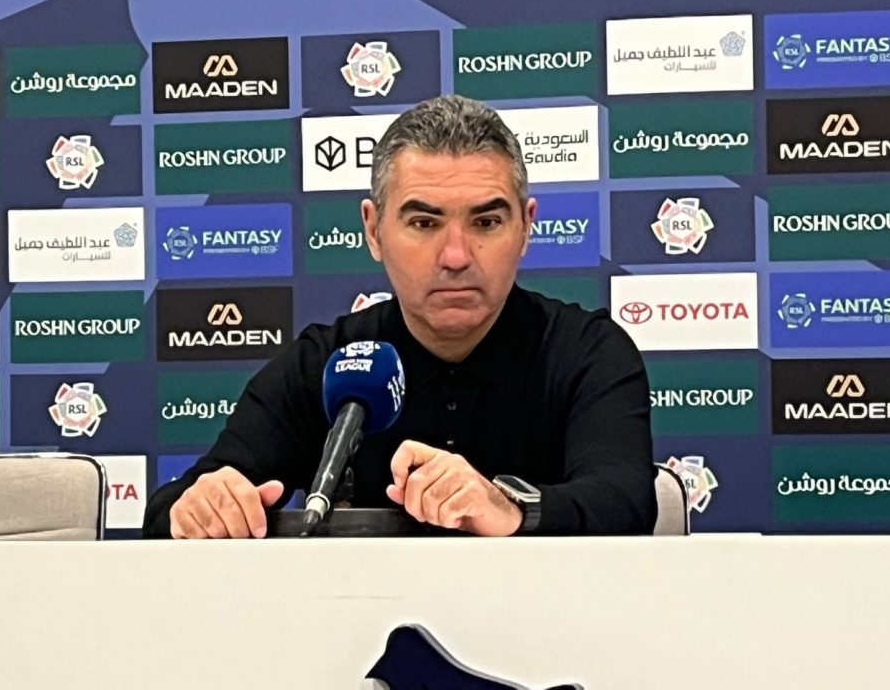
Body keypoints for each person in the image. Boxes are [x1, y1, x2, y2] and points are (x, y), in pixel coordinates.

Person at [143, 94, 657, 539]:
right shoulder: (329, 363)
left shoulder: (587, 352)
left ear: (525, 227)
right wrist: (200, 508)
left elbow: (626, 503)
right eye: (424, 223)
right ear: (373, 231)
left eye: (486, 221)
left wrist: (510, 508)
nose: (456, 256)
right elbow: (169, 509)